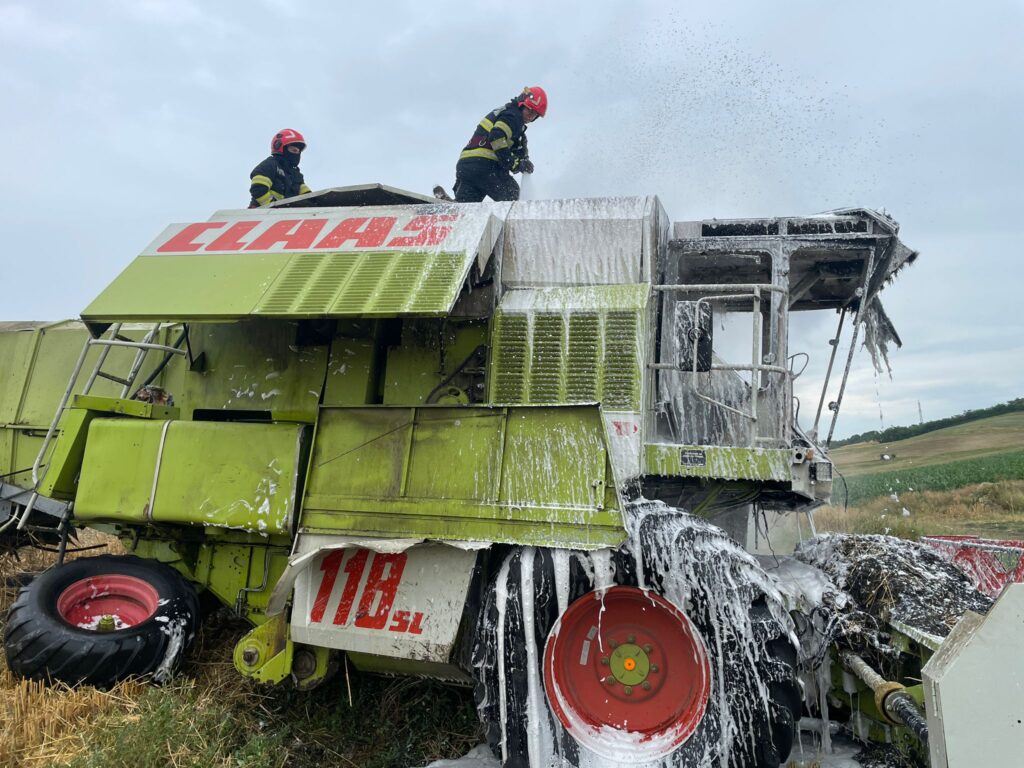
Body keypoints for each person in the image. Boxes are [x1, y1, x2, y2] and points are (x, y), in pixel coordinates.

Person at [453, 86, 547, 203]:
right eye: (529, 110)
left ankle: (451, 207)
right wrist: (513, 163)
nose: (530, 116)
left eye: (534, 115)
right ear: (521, 104)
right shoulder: (513, 117)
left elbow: (516, 146)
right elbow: (496, 136)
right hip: (486, 166)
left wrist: (523, 161)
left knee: (465, 209)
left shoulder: (505, 114)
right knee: (514, 198)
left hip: (466, 167)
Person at [248, 129, 311, 208]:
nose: (296, 154)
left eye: (298, 152)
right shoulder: (270, 164)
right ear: (280, 147)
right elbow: (258, 189)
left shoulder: (296, 175)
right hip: (261, 212)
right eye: (293, 150)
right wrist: (273, 206)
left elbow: (307, 197)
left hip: (284, 213)